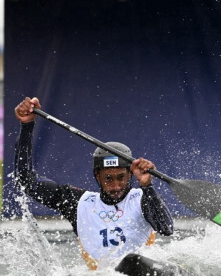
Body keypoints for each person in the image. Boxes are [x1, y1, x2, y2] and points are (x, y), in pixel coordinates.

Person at [14, 97, 174, 270]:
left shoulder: (143, 198)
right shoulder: (77, 203)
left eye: (121, 177)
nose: (116, 186)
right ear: (97, 176)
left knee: (132, 261)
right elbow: (26, 182)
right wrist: (27, 126)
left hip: (144, 271)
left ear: (130, 174)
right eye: (108, 179)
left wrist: (147, 186)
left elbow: (166, 228)